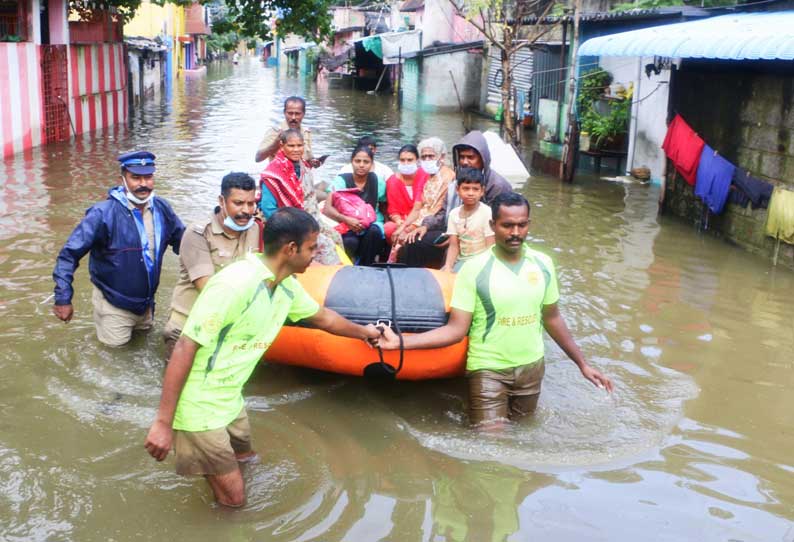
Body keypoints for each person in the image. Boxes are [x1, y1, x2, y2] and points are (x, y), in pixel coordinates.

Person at [144, 208, 381, 507]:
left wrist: (366, 332)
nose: (315, 254)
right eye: (311, 248)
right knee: (235, 502)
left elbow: (324, 319)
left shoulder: (286, 287)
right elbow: (184, 347)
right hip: (199, 407)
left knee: (247, 458)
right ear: (290, 249)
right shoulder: (234, 285)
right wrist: (163, 424)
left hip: (230, 398)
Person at [379, 193, 613, 427]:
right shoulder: (474, 270)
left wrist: (582, 364)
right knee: (491, 442)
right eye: (507, 225)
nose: (515, 232)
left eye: (522, 225)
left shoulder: (543, 264)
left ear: (529, 224)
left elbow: (552, 318)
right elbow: (455, 330)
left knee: (524, 434)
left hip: (532, 368)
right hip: (488, 369)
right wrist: (400, 342)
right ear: (493, 226)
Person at [52, 151, 185, 347]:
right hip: (113, 305)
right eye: (136, 178)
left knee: (142, 350)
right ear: (122, 179)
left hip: (147, 305)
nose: (143, 184)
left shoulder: (161, 209)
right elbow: (68, 255)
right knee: (115, 362)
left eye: (148, 177)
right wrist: (63, 298)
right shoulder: (102, 214)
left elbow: (185, 242)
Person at [162, 172, 260, 359]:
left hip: (226, 326)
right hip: (188, 328)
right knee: (179, 386)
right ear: (222, 201)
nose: (246, 210)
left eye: (251, 203)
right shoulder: (198, 234)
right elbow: (209, 289)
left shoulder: (254, 228)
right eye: (238, 203)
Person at [260, 129, 343, 265]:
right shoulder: (273, 173)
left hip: (311, 219)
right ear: (282, 145)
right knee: (325, 245)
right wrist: (296, 228)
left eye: (299, 145)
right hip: (289, 226)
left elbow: (310, 197)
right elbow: (268, 210)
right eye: (291, 146)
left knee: (336, 236)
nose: (296, 150)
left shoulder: (304, 165)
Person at [392, 137, 456, 267]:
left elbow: (437, 211)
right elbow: (417, 208)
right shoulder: (427, 176)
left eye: (431, 156)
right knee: (397, 235)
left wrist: (413, 228)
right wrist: (403, 227)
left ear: (441, 157)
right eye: (424, 157)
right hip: (422, 220)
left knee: (412, 241)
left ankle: (414, 276)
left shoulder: (448, 177)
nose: (427, 160)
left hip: (439, 224)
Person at [324, 145, 387, 266]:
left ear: (372, 164)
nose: (361, 165)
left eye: (366, 162)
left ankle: (366, 266)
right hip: (346, 223)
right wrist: (346, 219)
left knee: (374, 233)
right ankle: (348, 267)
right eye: (357, 161)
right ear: (351, 162)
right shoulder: (341, 181)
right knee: (350, 241)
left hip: (371, 223)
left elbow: (384, 204)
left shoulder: (378, 181)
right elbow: (327, 209)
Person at [441, 168, 494, 273]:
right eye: (466, 188)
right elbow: (453, 245)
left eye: (475, 189)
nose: (470, 193)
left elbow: (491, 247)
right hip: (462, 261)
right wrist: (448, 267)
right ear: (457, 190)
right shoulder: (453, 214)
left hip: (482, 262)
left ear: (482, 191)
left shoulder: (487, 213)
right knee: (441, 275)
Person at [255, 96, 322, 168]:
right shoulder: (275, 132)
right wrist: (275, 144)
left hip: (301, 177)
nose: (293, 117)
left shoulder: (306, 133)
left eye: (297, 114)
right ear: (284, 112)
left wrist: (314, 162)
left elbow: (308, 159)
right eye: (290, 113)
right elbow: (258, 158)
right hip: (280, 176)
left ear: (303, 114)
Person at [385, 144, 429, 245]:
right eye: (402, 160)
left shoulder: (425, 175)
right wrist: (398, 221)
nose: (406, 163)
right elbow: (393, 209)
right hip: (401, 220)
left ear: (417, 161)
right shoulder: (392, 181)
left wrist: (410, 225)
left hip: (421, 218)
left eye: (410, 160)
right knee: (388, 228)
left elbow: (426, 204)